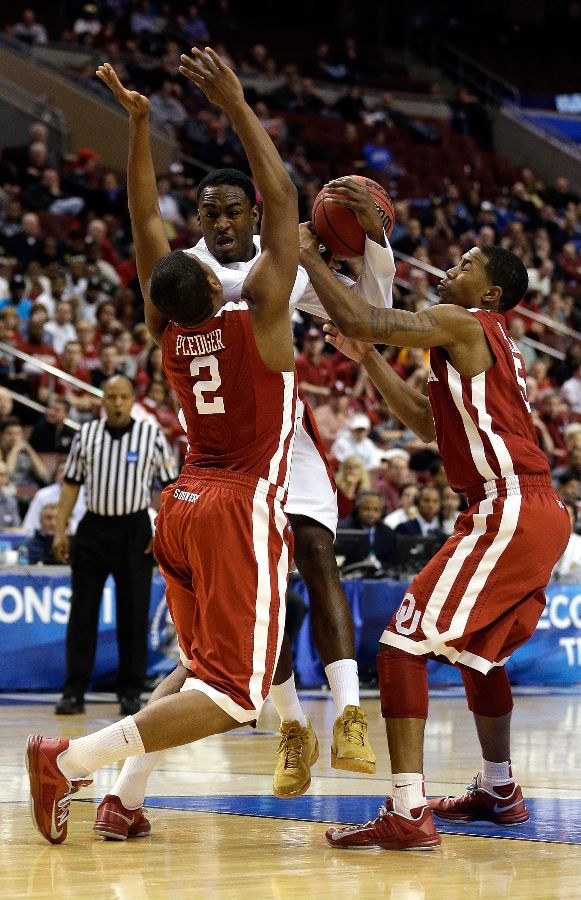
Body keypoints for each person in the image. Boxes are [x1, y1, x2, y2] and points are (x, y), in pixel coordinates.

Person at [26, 48, 299, 847]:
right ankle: (70, 760)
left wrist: (139, 127)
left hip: (178, 502)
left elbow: (146, 222)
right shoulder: (263, 318)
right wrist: (239, 104)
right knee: (239, 695)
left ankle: (124, 799)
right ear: (213, 283)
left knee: (197, 665)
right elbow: (280, 198)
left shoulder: (165, 327)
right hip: (236, 502)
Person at [99, 97, 394, 803]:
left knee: (319, 555)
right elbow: (150, 220)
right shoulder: (204, 274)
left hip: (276, 447)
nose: (224, 224)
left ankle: (350, 714)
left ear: (253, 215)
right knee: (270, 610)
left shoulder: (266, 269)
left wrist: (373, 245)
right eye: (211, 214)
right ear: (198, 224)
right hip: (227, 461)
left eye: (235, 211)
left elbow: (366, 317)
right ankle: (292, 725)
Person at [297, 233, 570, 850]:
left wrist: (310, 254)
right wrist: (368, 360)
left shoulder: (464, 321)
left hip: (507, 505)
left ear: (492, 293)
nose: (450, 269)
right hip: (533, 508)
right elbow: (425, 424)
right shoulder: (475, 345)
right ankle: (500, 790)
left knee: (399, 647)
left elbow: (362, 314)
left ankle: (407, 809)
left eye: (466, 265)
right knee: (483, 656)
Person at [52, 375, 176, 717]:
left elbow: (169, 485)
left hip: (134, 528)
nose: (117, 403)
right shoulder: (85, 434)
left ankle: (130, 692)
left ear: (132, 400)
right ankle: (74, 691)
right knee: (82, 613)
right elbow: (71, 485)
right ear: (102, 401)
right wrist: (61, 530)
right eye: (111, 397)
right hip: (93, 527)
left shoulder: (151, 435)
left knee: (133, 614)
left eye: (123, 397)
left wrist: (161, 527)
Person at [22, 460, 86, 536]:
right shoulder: (42, 494)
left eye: (69, 471)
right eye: (61, 471)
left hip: (78, 538)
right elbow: (30, 525)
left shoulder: (87, 495)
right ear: (56, 475)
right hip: (45, 539)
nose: (65, 474)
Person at [339, 489, 396, 567]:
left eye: (376, 510)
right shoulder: (345, 531)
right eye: (366, 509)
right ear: (357, 509)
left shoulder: (388, 532)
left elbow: (392, 562)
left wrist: (376, 564)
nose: (371, 514)